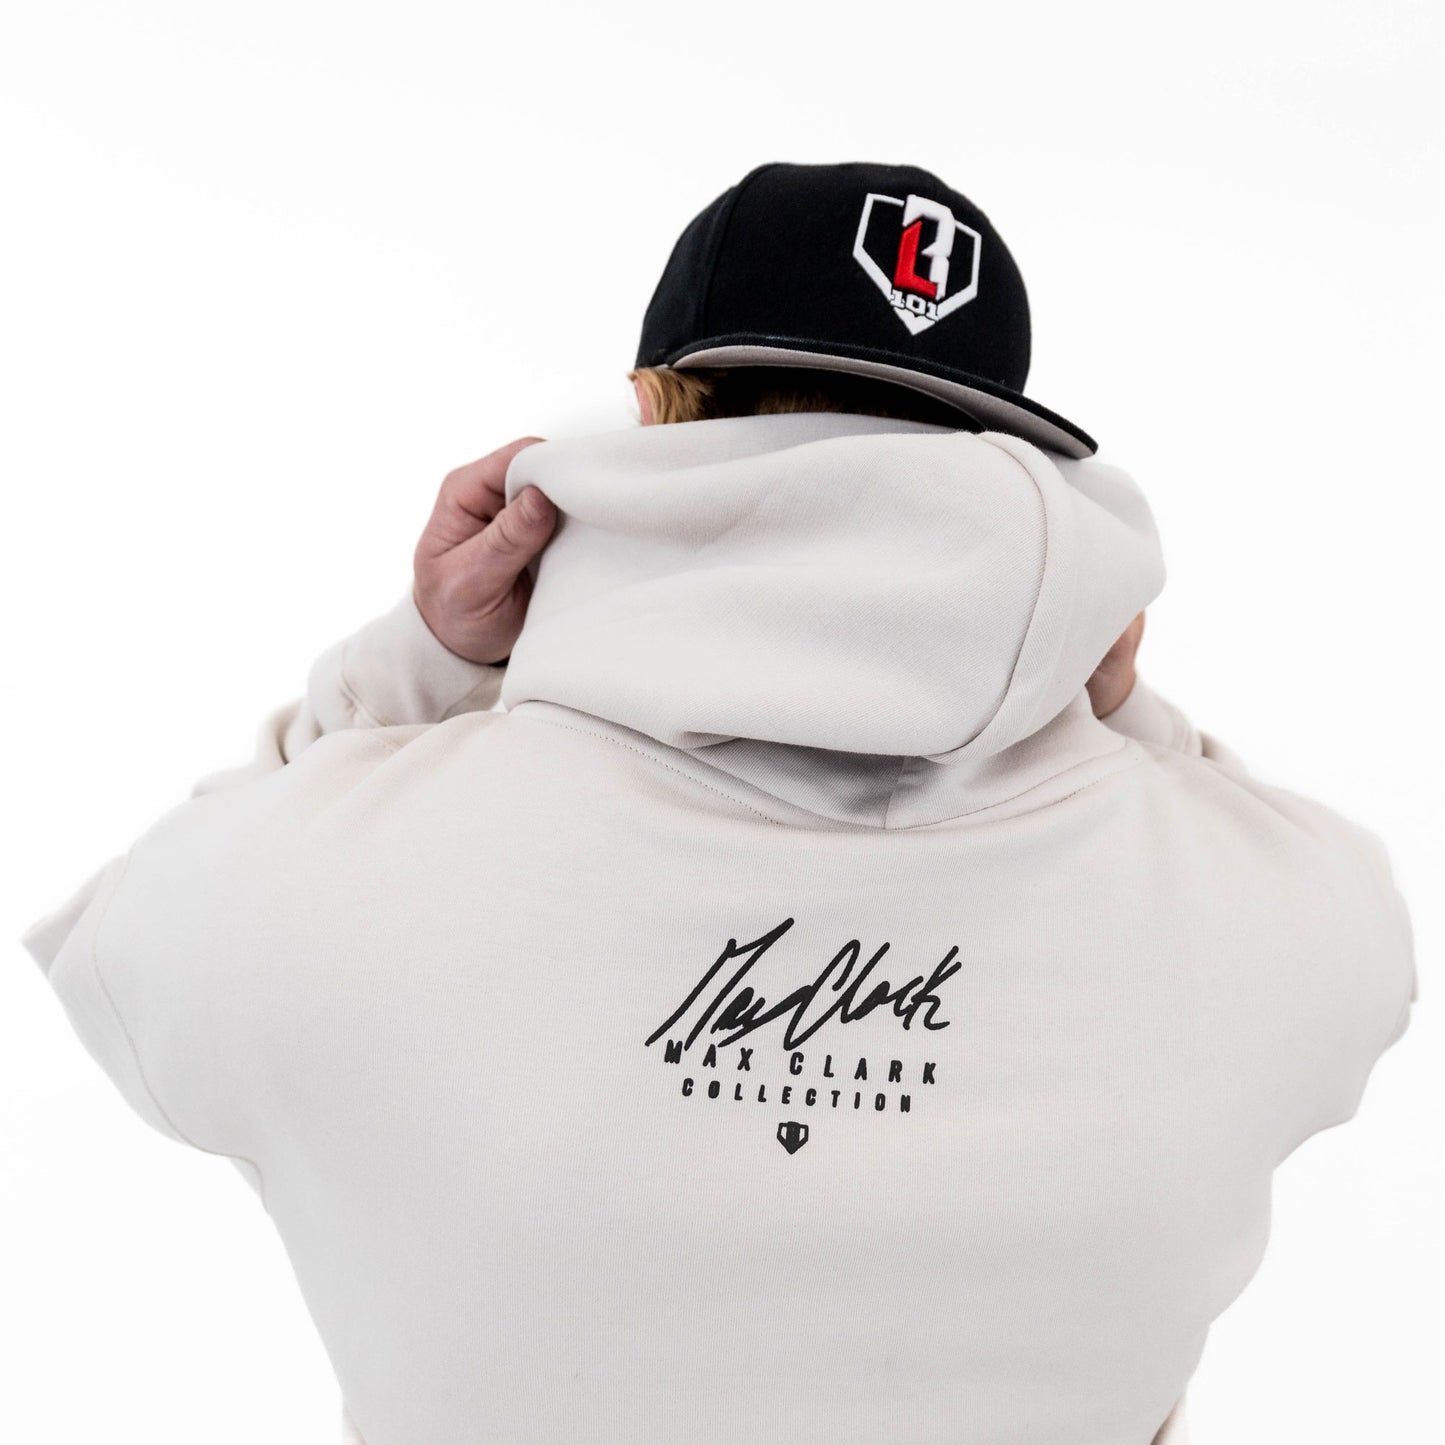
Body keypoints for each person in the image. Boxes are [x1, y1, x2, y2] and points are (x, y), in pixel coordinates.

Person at [23, 162, 1414, 1445]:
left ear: (655, 420)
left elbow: (118, 954)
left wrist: (428, 660)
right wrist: (1116, 715)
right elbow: (1323, 924)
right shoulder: (1295, 918)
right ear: (1016, 468)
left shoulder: (319, 887)